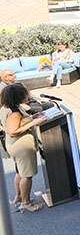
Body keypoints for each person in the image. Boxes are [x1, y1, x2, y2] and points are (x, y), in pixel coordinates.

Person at [1, 84, 47, 212]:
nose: (27, 96)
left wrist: (32, 118)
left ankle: (20, 196)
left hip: (15, 144)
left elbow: (18, 123)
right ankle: (26, 203)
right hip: (21, 146)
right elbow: (13, 131)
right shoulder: (14, 112)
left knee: (20, 173)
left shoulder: (7, 107)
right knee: (27, 175)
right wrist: (33, 122)